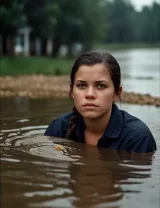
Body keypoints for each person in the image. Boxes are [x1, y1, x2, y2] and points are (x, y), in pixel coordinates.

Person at [44, 51, 157, 153]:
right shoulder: (58, 128)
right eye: (82, 85)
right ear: (71, 90)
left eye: (101, 86)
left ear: (117, 93)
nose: (90, 94)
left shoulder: (137, 138)